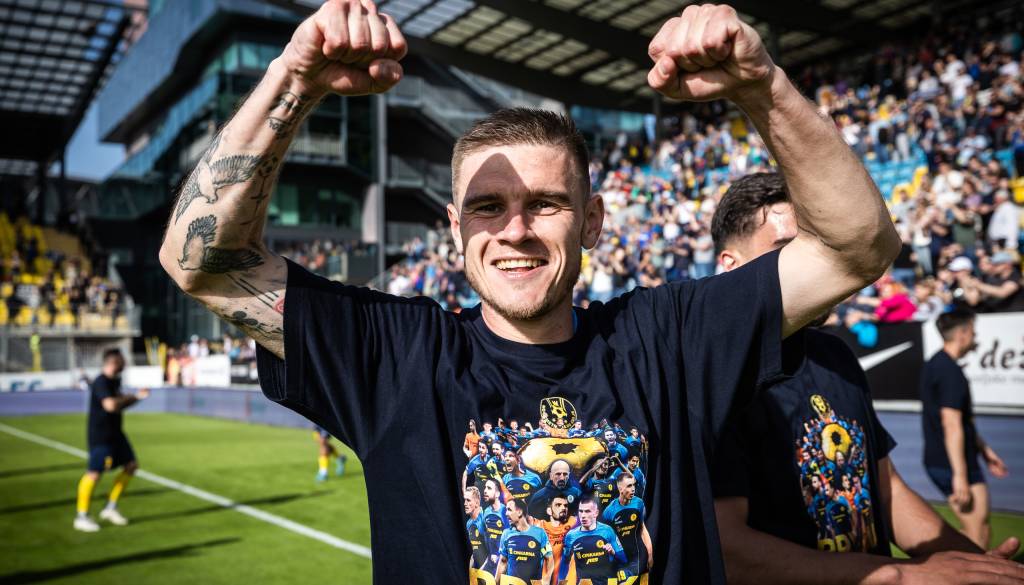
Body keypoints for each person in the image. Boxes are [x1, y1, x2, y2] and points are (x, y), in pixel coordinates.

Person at [159, 2, 906, 582]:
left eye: (545, 204)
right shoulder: (397, 355)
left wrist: (762, 86)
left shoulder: (670, 339)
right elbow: (203, 263)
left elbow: (856, 246)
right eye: (487, 207)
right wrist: (295, 78)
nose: (514, 230)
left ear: (592, 221)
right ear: (456, 228)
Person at [710, 175, 1022, 583]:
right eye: (786, 249)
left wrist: (976, 565)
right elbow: (729, 550)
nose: (814, 266)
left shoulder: (835, 354)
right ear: (731, 266)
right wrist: (901, 576)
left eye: (817, 247)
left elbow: (887, 490)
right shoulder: (715, 374)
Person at [921, 309, 1010, 550]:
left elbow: (962, 422)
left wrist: (985, 451)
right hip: (950, 463)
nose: (975, 336)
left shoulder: (937, 364)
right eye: (973, 331)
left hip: (957, 459)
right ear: (962, 333)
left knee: (980, 529)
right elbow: (951, 424)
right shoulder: (948, 371)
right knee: (976, 533)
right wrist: (959, 475)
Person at [73, 348, 149, 532]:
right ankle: (81, 516)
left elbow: (119, 402)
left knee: (131, 466)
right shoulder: (101, 382)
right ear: (113, 362)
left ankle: (110, 507)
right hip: (101, 435)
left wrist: (135, 398)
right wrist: (135, 397)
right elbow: (111, 405)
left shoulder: (114, 381)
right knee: (94, 473)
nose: (124, 364)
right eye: (122, 361)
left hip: (116, 434)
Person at [560, 495, 627, 583]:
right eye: (581, 511)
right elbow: (564, 563)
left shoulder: (607, 531)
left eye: (587, 511)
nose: (583, 515)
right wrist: (561, 582)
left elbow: (623, 560)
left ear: (596, 513)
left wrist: (613, 552)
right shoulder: (571, 536)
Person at [602, 471, 654, 577]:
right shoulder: (609, 511)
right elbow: (604, 537)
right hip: (617, 560)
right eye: (629, 486)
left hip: (635, 557)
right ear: (620, 488)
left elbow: (642, 529)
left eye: (633, 485)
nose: (633, 489)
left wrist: (650, 554)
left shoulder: (639, 503)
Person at [495, 497, 554, 585]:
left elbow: (549, 559)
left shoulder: (540, 533)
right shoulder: (506, 534)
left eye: (509, 510)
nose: (506, 513)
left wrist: (547, 578)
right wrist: (495, 582)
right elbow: (503, 562)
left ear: (519, 512)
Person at [537, 494, 577, 581]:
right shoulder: (541, 526)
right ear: (549, 511)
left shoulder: (573, 522)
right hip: (545, 578)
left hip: (565, 578)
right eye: (558, 505)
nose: (563, 508)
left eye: (565, 505)